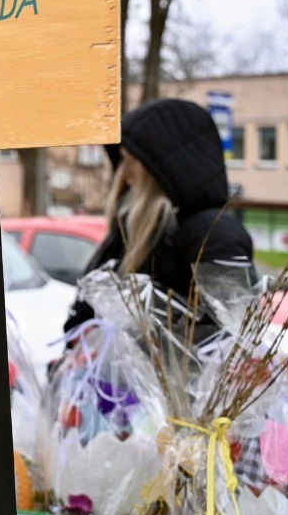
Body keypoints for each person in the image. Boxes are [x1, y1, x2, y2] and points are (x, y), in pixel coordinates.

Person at [63, 97, 256, 343]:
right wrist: (83, 341)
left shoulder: (212, 235)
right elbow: (86, 309)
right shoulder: (131, 229)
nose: (124, 172)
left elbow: (224, 342)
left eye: (130, 161)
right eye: (121, 160)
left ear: (161, 166)